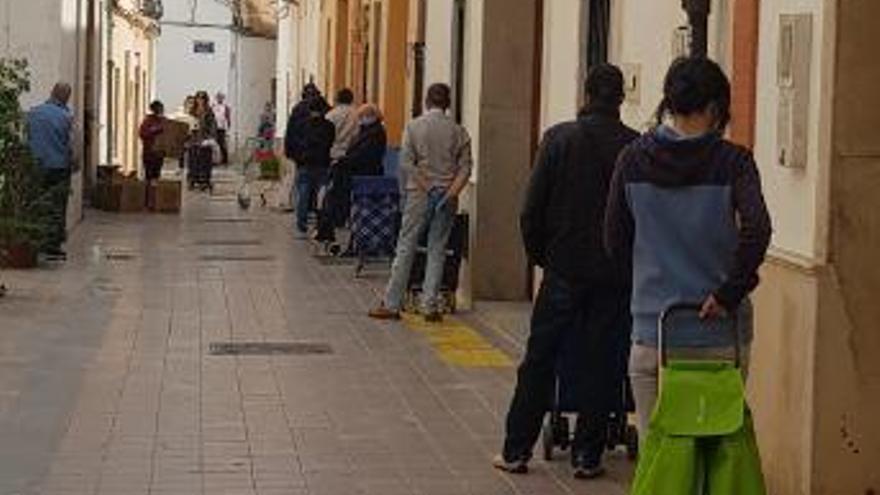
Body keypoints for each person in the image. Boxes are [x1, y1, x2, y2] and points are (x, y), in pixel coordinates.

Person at [604, 57, 772, 435]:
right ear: (716, 108)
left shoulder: (632, 160)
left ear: (669, 104)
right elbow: (757, 229)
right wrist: (728, 293)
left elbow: (614, 240)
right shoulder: (734, 162)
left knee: (658, 457)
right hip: (718, 335)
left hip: (653, 332)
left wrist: (646, 286)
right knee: (715, 450)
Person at [492, 65, 639, 479]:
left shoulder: (558, 140)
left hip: (563, 269)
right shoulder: (634, 146)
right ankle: (588, 455)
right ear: (620, 99)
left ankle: (516, 448)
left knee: (540, 358)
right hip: (614, 276)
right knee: (602, 359)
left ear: (587, 93)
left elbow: (530, 210)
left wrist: (542, 256)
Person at [368, 83, 472, 322]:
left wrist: (429, 187)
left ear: (426, 101)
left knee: (406, 246)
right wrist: (449, 193)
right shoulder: (459, 132)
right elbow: (466, 168)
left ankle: (392, 303)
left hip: (419, 195)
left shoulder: (414, 127)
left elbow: (406, 163)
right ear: (448, 103)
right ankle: (429, 304)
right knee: (438, 248)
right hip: (448, 197)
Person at [315, 104, 388, 243]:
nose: (361, 119)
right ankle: (330, 228)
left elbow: (364, 155)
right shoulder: (366, 131)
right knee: (330, 197)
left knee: (341, 201)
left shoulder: (376, 132)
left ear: (372, 116)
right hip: (354, 172)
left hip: (364, 175)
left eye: (363, 116)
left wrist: (342, 161)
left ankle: (334, 228)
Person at [26, 82, 74, 259]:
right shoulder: (66, 117)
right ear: (66, 97)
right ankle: (52, 245)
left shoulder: (33, 113)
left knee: (37, 203)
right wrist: (74, 164)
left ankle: (36, 240)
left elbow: (26, 137)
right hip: (59, 167)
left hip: (35, 166)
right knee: (56, 206)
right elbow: (72, 145)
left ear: (51, 92)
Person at [291, 97, 335, 238]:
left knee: (303, 195)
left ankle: (301, 227)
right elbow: (330, 142)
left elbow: (294, 143)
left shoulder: (302, 125)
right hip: (323, 164)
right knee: (321, 197)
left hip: (305, 164)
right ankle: (320, 225)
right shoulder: (329, 126)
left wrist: (298, 159)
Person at [325, 88, 359, 164]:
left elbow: (325, 133)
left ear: (337, 99)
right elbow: (356, 134)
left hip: (332, 152)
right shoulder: (356, 115)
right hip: (349, 154)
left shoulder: (331, 114)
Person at [139, 100, 166, 186]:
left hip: (159, 153)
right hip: (149, 153)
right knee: (149, 176)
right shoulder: (148, 121)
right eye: (158, 109)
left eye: (161, 109)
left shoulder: (164, 121)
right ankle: (148, 195)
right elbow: (142, 133)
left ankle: (154, 195)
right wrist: (154, 130)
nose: (160, 111)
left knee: (156, 176)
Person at [212, 92, 231, 165]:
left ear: (223, 98)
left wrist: (228, 127)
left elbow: (228, 118)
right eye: (218, 97)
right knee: (214, 144)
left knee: (222, 144)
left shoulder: (225, 107)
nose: (219, 99)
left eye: (221, 97)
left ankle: (225, 160)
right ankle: (215, 159)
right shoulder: (213, 106)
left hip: (222, 128)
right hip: (214, 127)